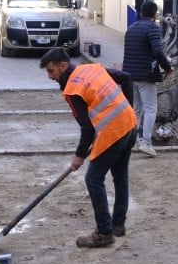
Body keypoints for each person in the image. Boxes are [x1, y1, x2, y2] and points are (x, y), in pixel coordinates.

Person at [39, 48, 137, 248]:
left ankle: (103, 232)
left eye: (51, 71)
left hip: (114, 132)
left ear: (63, 66)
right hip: (129, 123)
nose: (50, 77)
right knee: (120, 176)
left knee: (93, 178)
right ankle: (118, 225)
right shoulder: (92, 68)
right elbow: (126, 77)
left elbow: (87, 128)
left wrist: (79, 155)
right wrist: (128, 107)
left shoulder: (73, 91)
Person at [122, 1, 173, 156]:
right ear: (155, 15)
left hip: (130, 75)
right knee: (151, 109)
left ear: (140, 13)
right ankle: (146, 142)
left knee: (136, 109)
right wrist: (168, 68)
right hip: (146, 75)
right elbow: (157, 51)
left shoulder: (130, 29)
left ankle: (132, 141)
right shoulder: (153, 29)